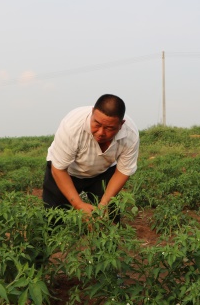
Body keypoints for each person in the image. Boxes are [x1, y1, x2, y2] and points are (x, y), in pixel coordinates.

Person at [42, 94, 140, 223]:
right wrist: (78, 204)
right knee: (54, 216)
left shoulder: (130, 135)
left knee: (109, 215)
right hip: (66, 172)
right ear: (93, 112)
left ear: (121, 124)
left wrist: (104, 204)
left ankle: (106, 240)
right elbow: (59, 169)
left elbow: (123, 171)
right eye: (97, 124)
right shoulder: (72, 126)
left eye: (109, 128)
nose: (101, 132)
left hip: (102, 172)